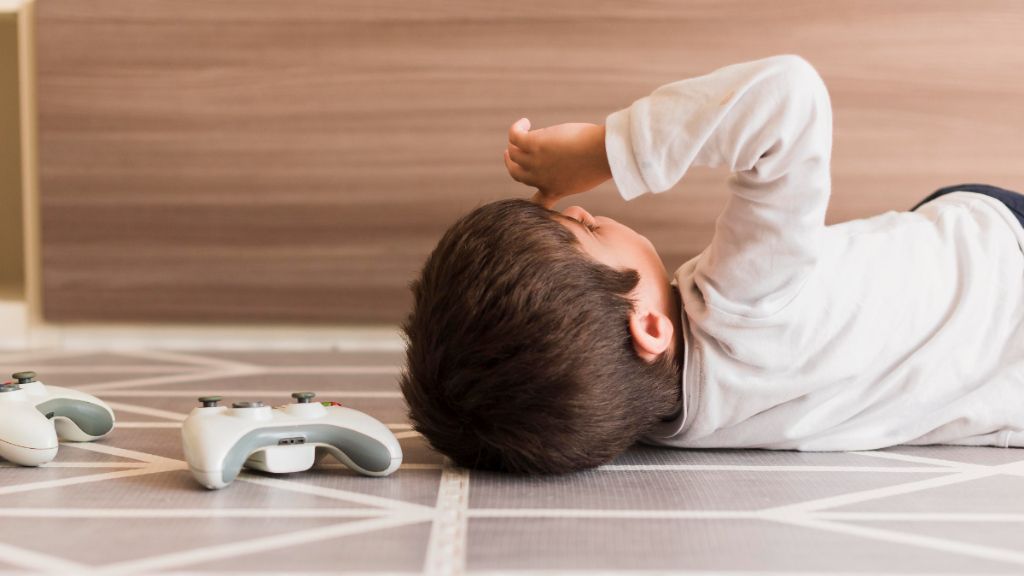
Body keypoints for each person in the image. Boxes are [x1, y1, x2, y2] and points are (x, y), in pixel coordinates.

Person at [400, 55, 1024, 474]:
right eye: (586, 228)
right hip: (1001, 254)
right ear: (649, 327)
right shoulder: (740, 302)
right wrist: (606, 151)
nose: (589, 211)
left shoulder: (645, 417)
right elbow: (787, 97)